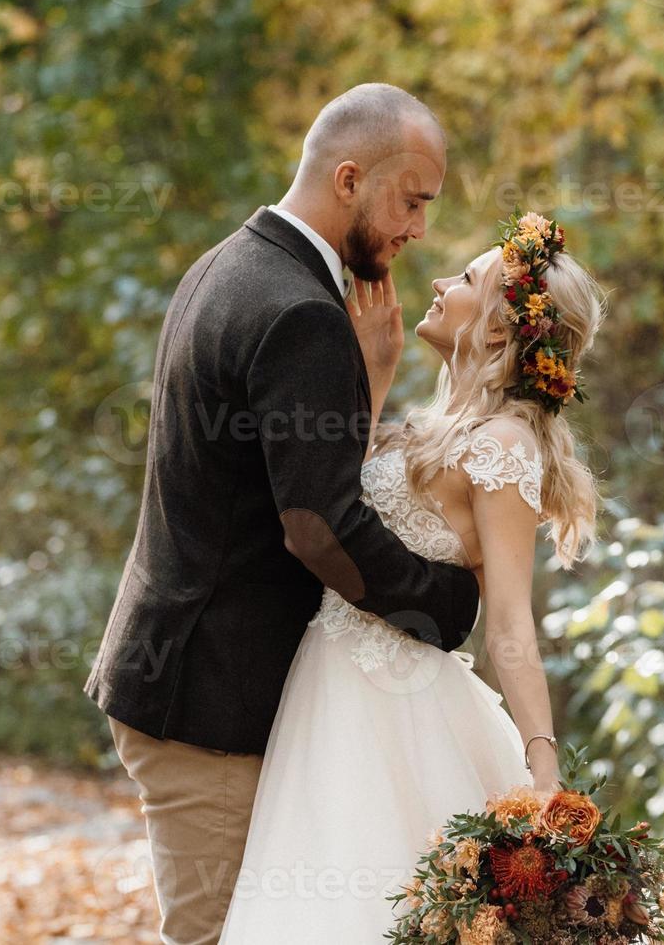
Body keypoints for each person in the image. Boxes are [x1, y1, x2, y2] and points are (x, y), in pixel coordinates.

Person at [84, 83, 481, 945]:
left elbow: (269, 482)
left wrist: (364, 395)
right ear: (349, 179)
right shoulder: (302, 312)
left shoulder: (229, 265)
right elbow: (318, 526)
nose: (419, 230)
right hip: (211, 702)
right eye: (412, 202)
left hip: (194, 675)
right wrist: (445, 604)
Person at [218, 208, 604, 942]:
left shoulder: (504, 444)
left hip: (395, 708)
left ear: (496, 329)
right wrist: (376, 371)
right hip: (326, 686)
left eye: (464, 278)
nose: (438, 280)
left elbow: (512, 619)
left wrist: (544, 773)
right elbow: (334, 505)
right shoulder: (435, 424)